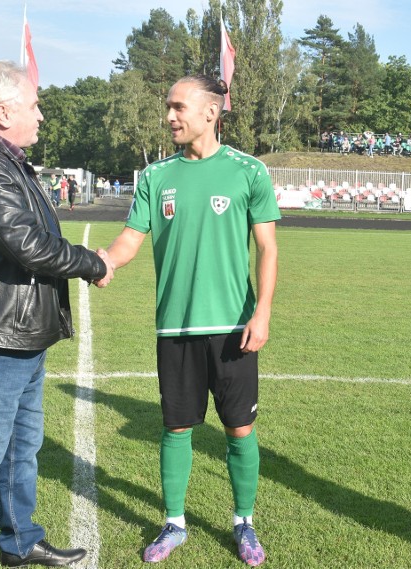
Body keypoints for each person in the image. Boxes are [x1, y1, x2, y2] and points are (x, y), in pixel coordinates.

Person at [0, 59, 115, 569]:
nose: (42, 115)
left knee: (20, 450)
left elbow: (32, 239)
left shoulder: (1, 157)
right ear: (4, 111)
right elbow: (29, 246)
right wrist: (92, 262)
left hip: (15, 333)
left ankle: (19, 541)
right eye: (34, 105)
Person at [103, 74, 279, 567]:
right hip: (175, 328)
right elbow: (130, 240)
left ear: (210, 112)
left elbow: (267, 248)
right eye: (168, 107)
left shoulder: (249, 172)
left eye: (178, 107)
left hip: (233, 328)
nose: (169, 116)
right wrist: (105, 262)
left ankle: (243, 521)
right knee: (176, 427)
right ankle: (175, 522)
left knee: (239, 430)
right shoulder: (156, 177)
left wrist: (261, 312)